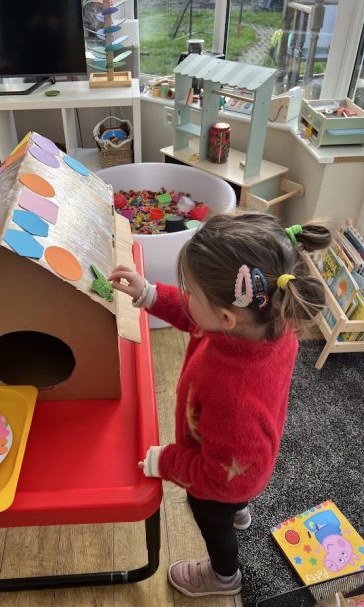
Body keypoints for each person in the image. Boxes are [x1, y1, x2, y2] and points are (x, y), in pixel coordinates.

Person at [108, 212, 331, 597]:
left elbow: (224, 473)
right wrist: (149, 293)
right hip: (239, 457)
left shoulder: (232, 392)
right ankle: (236, 507)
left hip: (227, 476)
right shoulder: (268, 322)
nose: (188, 300)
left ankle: (224, 577)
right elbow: (198, 316)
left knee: (214, 521)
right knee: (233, 489)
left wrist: (167, 461)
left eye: (193, 294)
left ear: (227, 316)